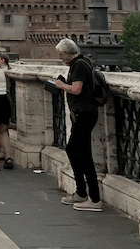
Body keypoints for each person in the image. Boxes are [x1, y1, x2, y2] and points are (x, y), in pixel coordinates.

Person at [53, 38, 102, 211]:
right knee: (74, 150)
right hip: (80, 114)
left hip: (85, 114)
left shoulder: (79, 65)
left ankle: (94, 199)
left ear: (67, 53)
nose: (60, 58)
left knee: (83, 155)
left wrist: (60, 85)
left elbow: (76, 89)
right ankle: (81, 192)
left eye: (61, 55)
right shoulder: (78, 64)